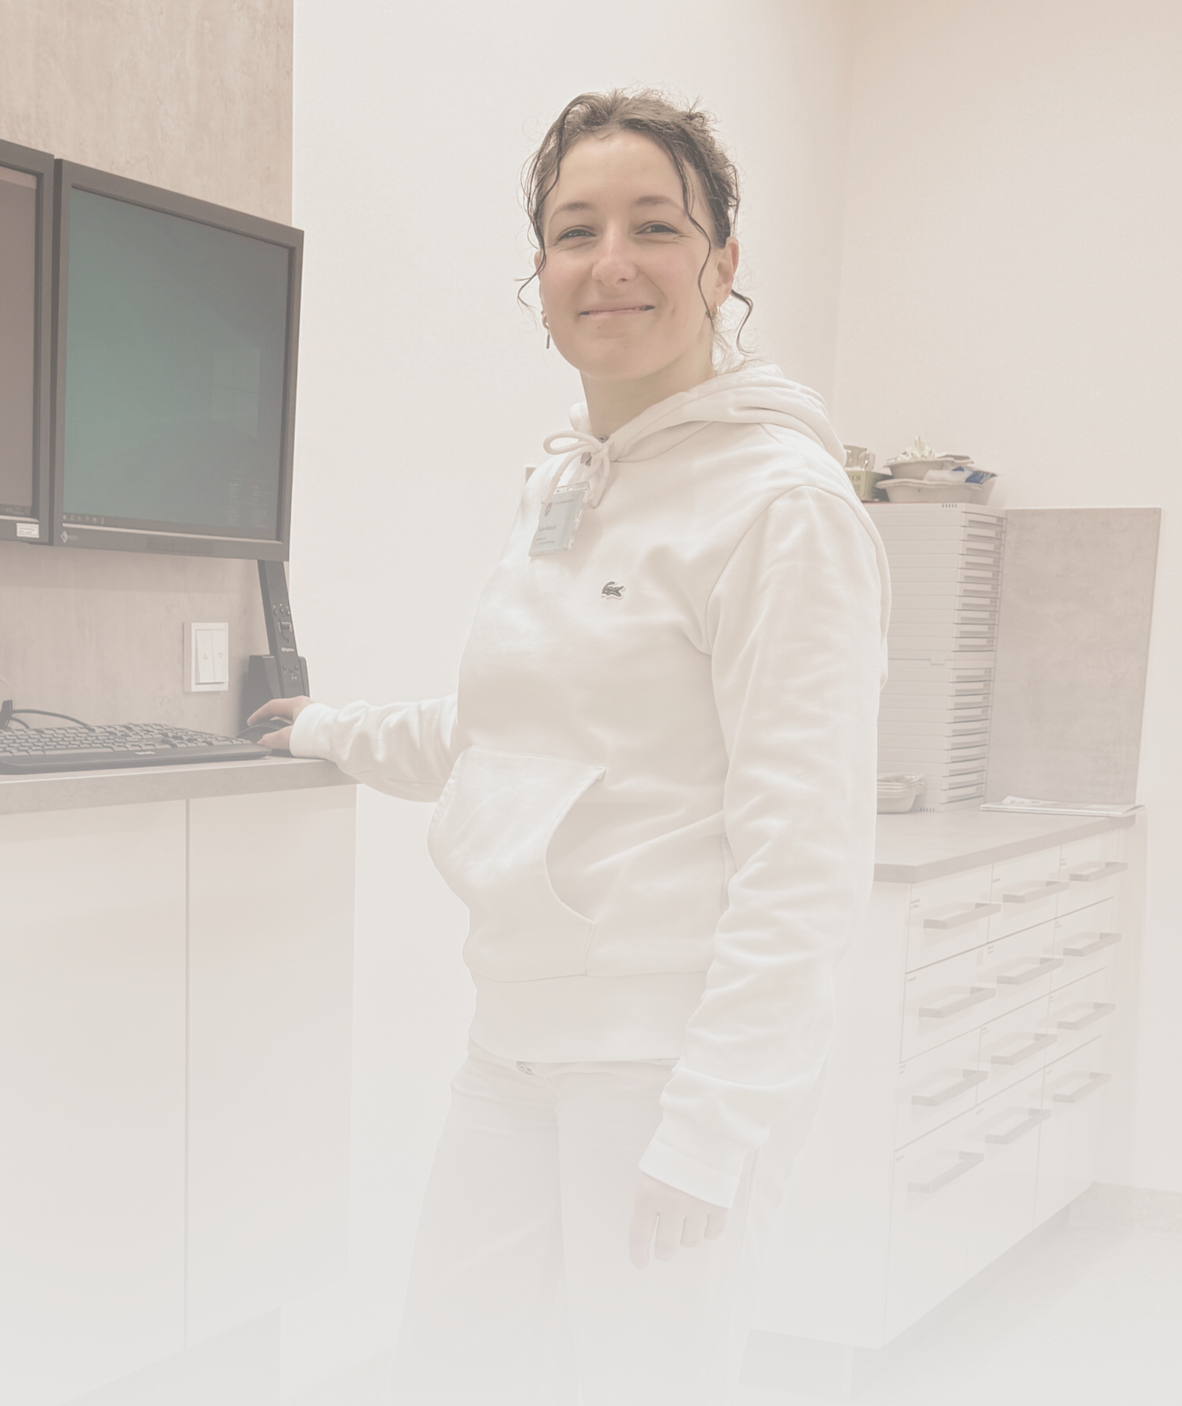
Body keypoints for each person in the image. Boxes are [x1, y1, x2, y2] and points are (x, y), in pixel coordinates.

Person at [249, 89, 891, 1405]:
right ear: (536, 276)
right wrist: (325, 729)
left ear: (721, 265)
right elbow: (507, 729)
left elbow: (806, 844)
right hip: (520, 1032)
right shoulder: (567, 486)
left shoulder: (782, 505)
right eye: (573, 230)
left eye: (655, 226)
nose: (612, 263)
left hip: (664, 1053)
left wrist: (713, 1124)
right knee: (455, 1363)